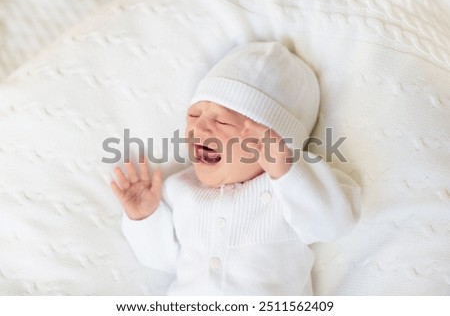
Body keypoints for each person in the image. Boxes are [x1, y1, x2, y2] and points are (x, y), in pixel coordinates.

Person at [110, 42, 360, 295]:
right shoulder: (179, 190)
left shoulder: (289, 191)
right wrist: (144, 218)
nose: (200, 129)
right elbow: (161, 261)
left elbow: (333, 225)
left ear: (272, 142)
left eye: (222, 120)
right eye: (194, 116)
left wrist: (287, 171)